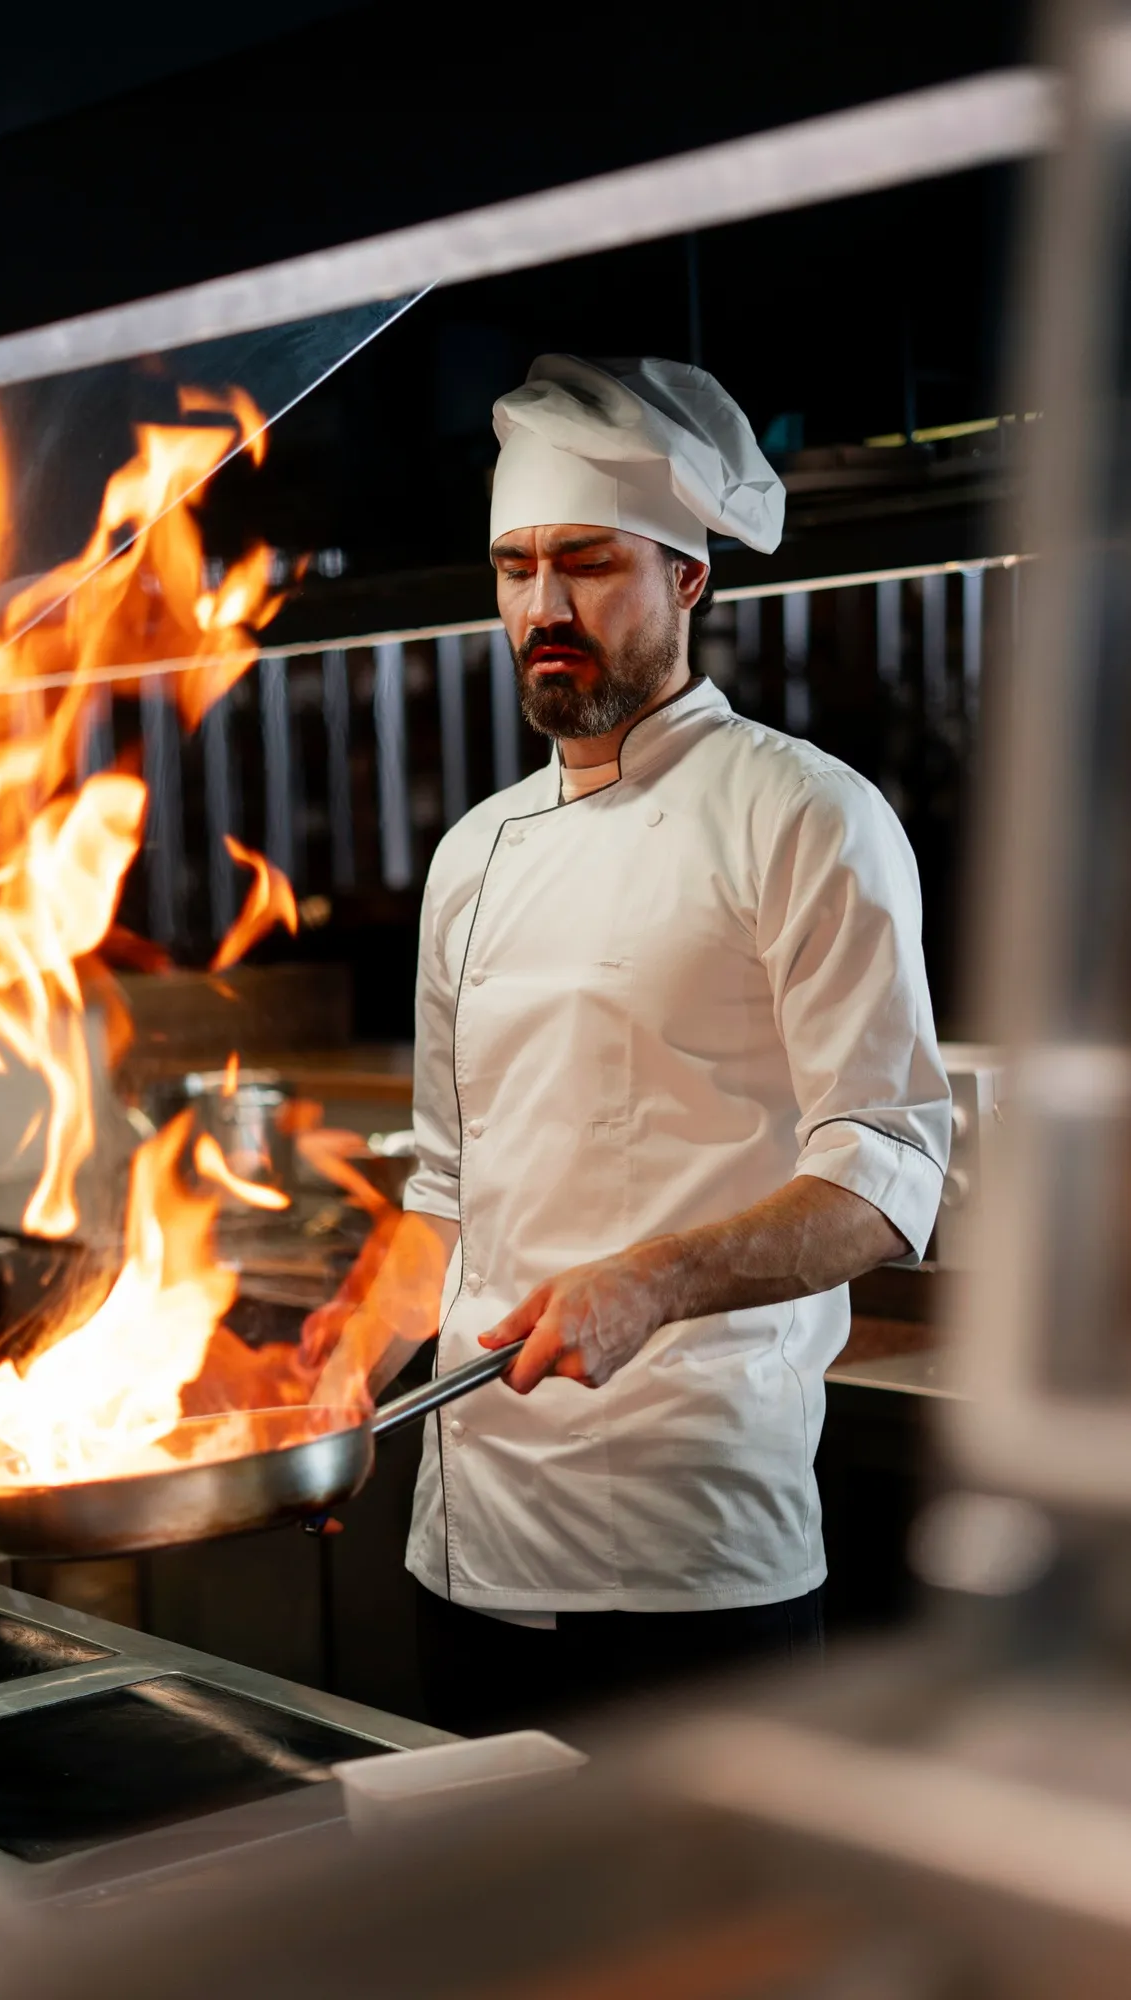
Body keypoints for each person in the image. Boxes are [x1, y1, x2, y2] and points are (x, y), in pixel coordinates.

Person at [400, 354, 952, 1737]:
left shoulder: (806, 817)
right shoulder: (474, 855)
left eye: (586, 565)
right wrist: (297, 1386)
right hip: (465, 1544)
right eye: (516, 570)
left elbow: (890, 1172)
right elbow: (441, 1193)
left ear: (689, 580)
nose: (543, 608)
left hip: (690, 1563)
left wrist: (647, 1283)